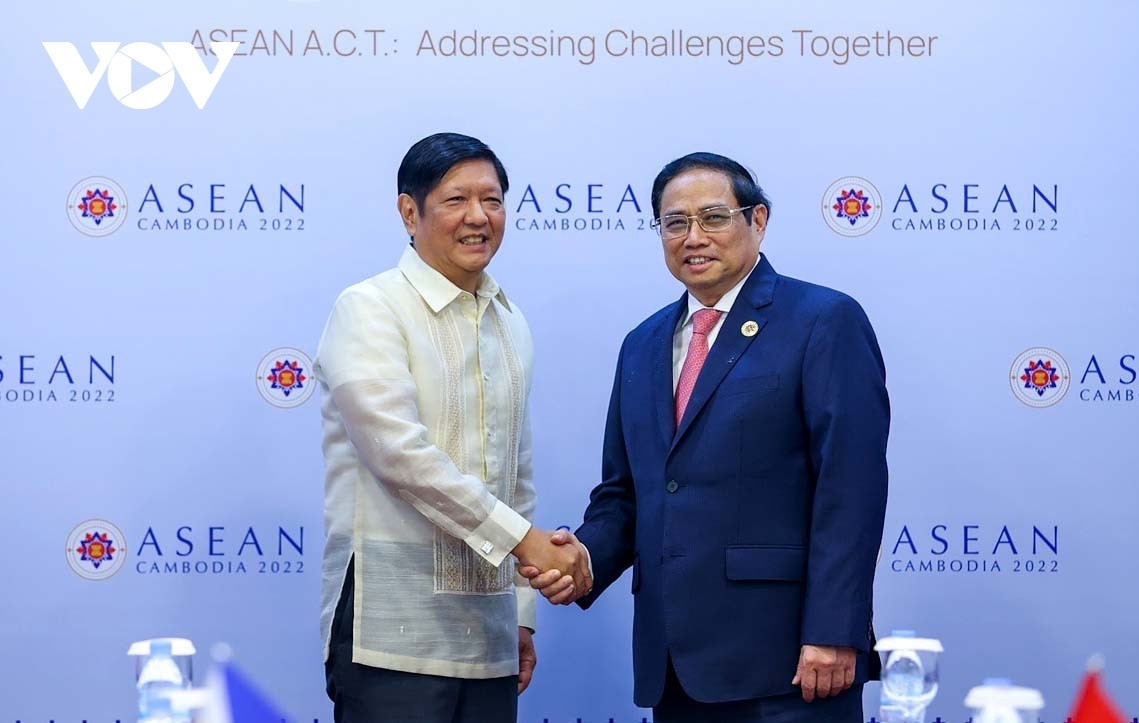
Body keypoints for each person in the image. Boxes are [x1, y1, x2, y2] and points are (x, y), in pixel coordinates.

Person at [521, 152, 889, 721]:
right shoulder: (642, 344)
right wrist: (585, 558)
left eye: (713, 218)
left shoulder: (823, 320)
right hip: (674, 667)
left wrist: (834, 630)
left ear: (758, 220)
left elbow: (851, 488)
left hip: (791, 664)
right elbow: (627, 493)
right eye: (675, 223)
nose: (693, 237)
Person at [315, 132, 589, 722]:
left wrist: (522, 613)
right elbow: (399, 456)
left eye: (492, 200)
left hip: (490, 640)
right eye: (456, 200)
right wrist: (525, 541)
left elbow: (517, 476)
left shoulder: (510, 322)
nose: (478, 217)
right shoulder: (370, 307)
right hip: (392, 633)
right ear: (409, 212)